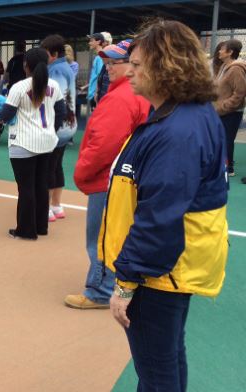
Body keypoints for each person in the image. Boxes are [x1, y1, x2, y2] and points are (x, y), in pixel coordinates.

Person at [103, 20, 228, 391]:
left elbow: (159, 218)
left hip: (159, 272)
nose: (130, 72)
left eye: (139, 65)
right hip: (176, 265)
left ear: (166, 66)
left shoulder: (177, 129)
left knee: (156, 371)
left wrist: (125, 282)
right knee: (168, 357)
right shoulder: (190, 114)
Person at [65, 39, 151, 310]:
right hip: (130, 177)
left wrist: (83, 173)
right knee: (124, 234)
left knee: (102, 238)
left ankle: (100, 290)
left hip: (111, 179)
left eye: (117, 61)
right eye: (108, 61)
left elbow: (103, 143)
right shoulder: (140, 92)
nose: (109, 66)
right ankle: (122, 284)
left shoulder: (121, 97)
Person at [0, 48, 66, 240]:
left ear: (27, 65)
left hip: (23, 142)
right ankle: (41, 227)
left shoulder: (19, 87)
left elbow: (6, 115)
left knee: (26, 187)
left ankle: (26, 230)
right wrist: (51, 127)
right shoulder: (54, 86)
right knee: (41, 184)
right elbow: (61, 112)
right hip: (47, 142)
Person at [41, 35, 77, 223]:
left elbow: (56, 100)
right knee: (57, 166)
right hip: (68, 127)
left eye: (45, 53)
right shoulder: (68, 67)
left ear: (53, 54)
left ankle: (46, 207)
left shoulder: (55, 70)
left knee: (48, 167)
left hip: (57, 127)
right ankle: (56, 205)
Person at [212, 39, 246, 178]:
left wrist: (222, 107)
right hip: (221, 111)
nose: (219, 51)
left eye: (222, 48)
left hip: (231, 112)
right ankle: (221, 165)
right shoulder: (224, 67)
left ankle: (228, 168)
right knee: (220, 139)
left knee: (226, 139)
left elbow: (239, 94)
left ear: (230, 52)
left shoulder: (236, 69)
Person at [85, 32, 112, 110]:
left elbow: (101, 77)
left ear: (98, 42)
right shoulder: (98, 57)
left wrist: (96, 94)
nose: (89, 43)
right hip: (94, 94)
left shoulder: (101, 57)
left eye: (91, 40)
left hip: (96, 95)